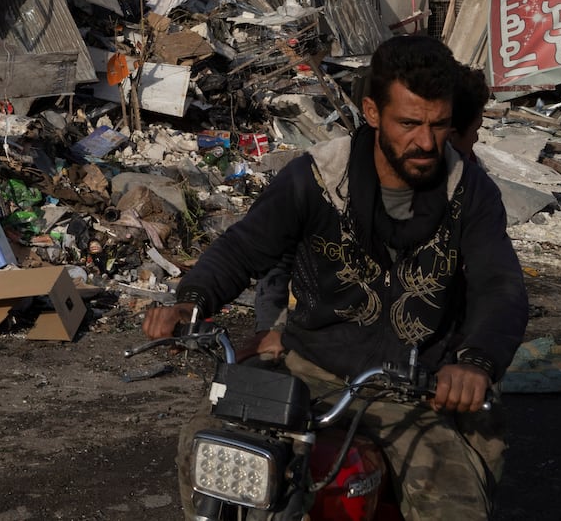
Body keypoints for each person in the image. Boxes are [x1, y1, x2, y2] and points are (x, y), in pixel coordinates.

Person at [145, 36, 527, 521]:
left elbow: (501, 286)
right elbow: (243, 248)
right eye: (409, 124)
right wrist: (192, 302)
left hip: (412, 390)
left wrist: (475, 362)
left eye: (438, 125)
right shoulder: (319, 177)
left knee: (455, 505)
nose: (427, 142)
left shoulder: (470, 192)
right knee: (203, 449)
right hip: (307, 373)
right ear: (372, 111)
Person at [248, 62, 494, 360]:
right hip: (328, 361)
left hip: (422, 371)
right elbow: (277, 252)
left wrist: (476, 358)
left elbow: (492, 283)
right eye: (476, 131)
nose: (477, 140)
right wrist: (270, 326)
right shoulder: (337, 178)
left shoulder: (468, 186)